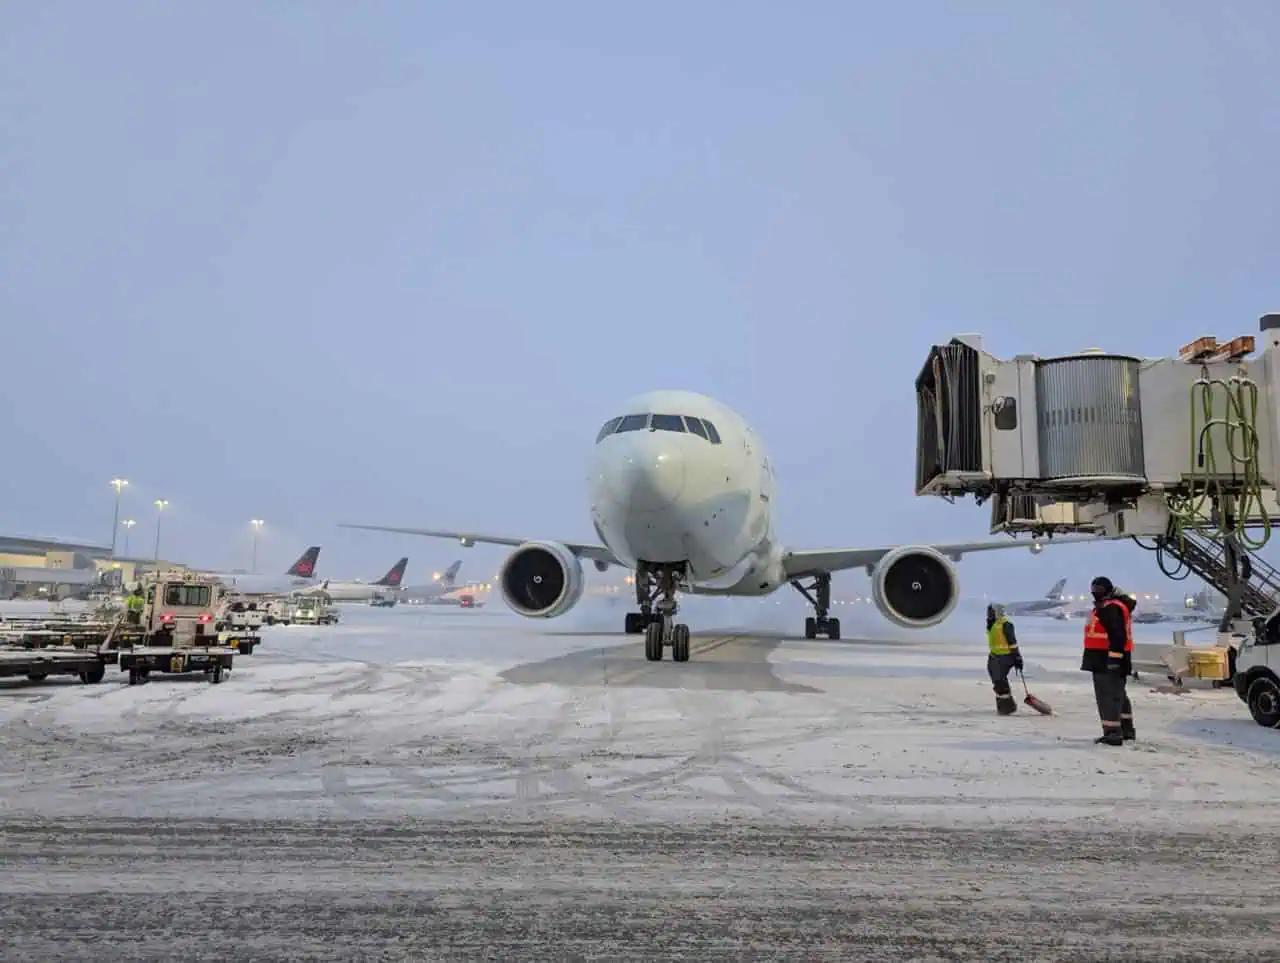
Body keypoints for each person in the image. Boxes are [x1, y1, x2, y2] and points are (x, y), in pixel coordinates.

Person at [1082, 576, 1135, 746]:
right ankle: (1126, 730)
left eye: (1098, 590)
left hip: (1105, 659)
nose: (1094, 593)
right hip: (1109, 658)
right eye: (1094, 589)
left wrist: (1114, 659)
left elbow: (1117, 635)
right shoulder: (1113, 606)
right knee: (1118, 695)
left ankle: (1112, 733)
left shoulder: (1110, 608)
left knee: (1107, 697)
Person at [986, 603, 1024, 715]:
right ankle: (1004, 703)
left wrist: (1017, 657)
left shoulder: (1006, 624)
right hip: (994, 656)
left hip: (1005, 657)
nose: (988, 614)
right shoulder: (993, 624)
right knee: (996, 680)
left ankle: (1007, 706)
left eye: (991, 612)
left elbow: (1012, 642)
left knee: (999, 680)